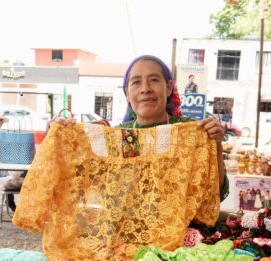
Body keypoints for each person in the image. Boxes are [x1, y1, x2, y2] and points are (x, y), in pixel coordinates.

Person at [58, 54, 228, 198]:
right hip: (127, 233)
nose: (145, 89)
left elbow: (214, 193)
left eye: (154, 80)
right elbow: (80, 181)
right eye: (136, 82)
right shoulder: (119, 136)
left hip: (180, 233)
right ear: (127, 94)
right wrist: (66, 139)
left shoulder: (191, 131)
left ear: (168, 88)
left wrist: (216, 145)